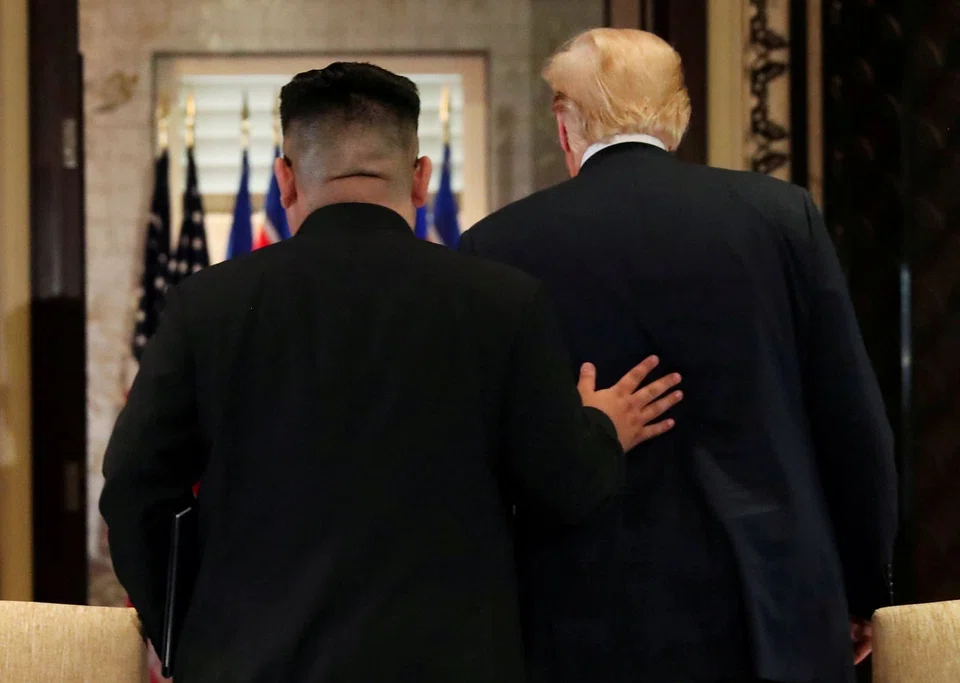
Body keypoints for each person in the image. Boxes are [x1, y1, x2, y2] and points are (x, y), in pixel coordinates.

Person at [100, 63, 683, 683]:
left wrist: (184, 629)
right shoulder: (503, 303)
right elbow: (563, 488)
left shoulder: (205, 307)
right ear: (422, 177)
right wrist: (600, 429)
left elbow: (134, 487)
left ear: (284, 180)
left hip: (250, 663)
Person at [459, 28, 898, 683]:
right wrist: (862, 590)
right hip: (770, 609)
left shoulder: (496, 246)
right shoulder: (782, 217)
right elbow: (851, 420)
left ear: (563, 121)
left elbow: (485, 458)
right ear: (679, 114)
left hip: (581, 618)